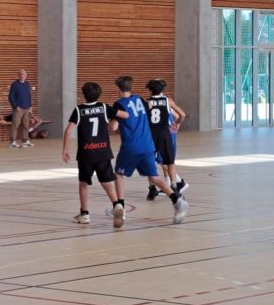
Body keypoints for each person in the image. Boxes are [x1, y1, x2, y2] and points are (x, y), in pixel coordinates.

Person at [112, 75, 188, 224]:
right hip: (148, 144)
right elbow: (173, 113)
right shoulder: (141, 100)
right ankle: (176, 199)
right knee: (154, 176)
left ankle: (120, 206)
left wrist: (112, 120)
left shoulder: (119, 104)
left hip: (132, 145)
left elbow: (114, 127)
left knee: (119, 174)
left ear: (119, 89)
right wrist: (176, 123)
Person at [62, 82, 126, 228]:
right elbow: (124, 115)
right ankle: (117, 204)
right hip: (103, 152)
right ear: (99, 94)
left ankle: (84, 214)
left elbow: (68, 130)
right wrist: (116, 114)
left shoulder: (79, 110)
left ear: (83, 94)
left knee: (83, 183)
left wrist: (65, 149)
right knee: (107, 182)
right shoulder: (104, 107)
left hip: (86, 154)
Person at [145, 79, 188, 200]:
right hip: (164, 133)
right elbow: (182, 115)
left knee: (150, 162)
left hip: (150, 134)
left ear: (150, 90)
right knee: (170, 162)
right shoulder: (167, 101)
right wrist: (177, 123)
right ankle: (174, 188)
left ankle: (152, 188)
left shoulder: (146, 102)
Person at [8, 69, 34, 148]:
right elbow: (11, 97)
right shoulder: (15, 84)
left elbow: (29, 95)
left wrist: (30, 106)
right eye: (21, 74)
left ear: (26, 75)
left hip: (26, 108)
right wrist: (15, 106)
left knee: (26, 125)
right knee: (15, 125)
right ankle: (12, 142)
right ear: (18, 75)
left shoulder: (27, 84)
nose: (22, 76)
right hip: (18, 109)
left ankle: (25, 141)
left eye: (24, 74)